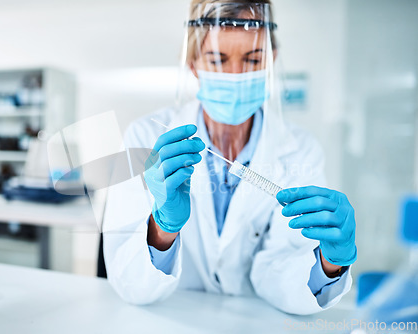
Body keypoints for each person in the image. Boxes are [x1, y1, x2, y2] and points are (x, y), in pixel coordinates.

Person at [103, 0, 357, 315]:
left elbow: (284, 268)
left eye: (253, 59)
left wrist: (329, 263)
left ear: (271, 62)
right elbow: (131, 283)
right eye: (217, 59)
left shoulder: (301, 149)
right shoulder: (144, 138)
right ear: (193, 64)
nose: (235, 74)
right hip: (173, 319)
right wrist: (162, 228)